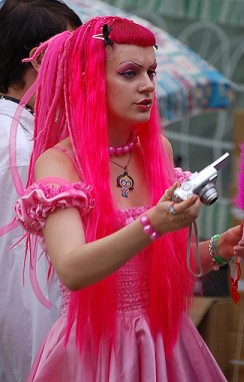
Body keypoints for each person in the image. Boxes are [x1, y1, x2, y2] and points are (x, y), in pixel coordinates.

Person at [11, 16, 244, 381]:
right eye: (130, 73)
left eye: (152, 72)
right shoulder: (60, 162)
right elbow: (72, 269)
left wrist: (220, 247)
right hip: (95, 351)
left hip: (165, 342)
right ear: (89, 80)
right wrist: (151, 224)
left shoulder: (158, 149)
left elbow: (162, 267)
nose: (147, 86)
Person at [0, 1, 82, 381]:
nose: (83, 70)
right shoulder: (21, 151)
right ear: (37, 61)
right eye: (73, 55)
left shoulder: (26, 138)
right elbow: (27, 281)